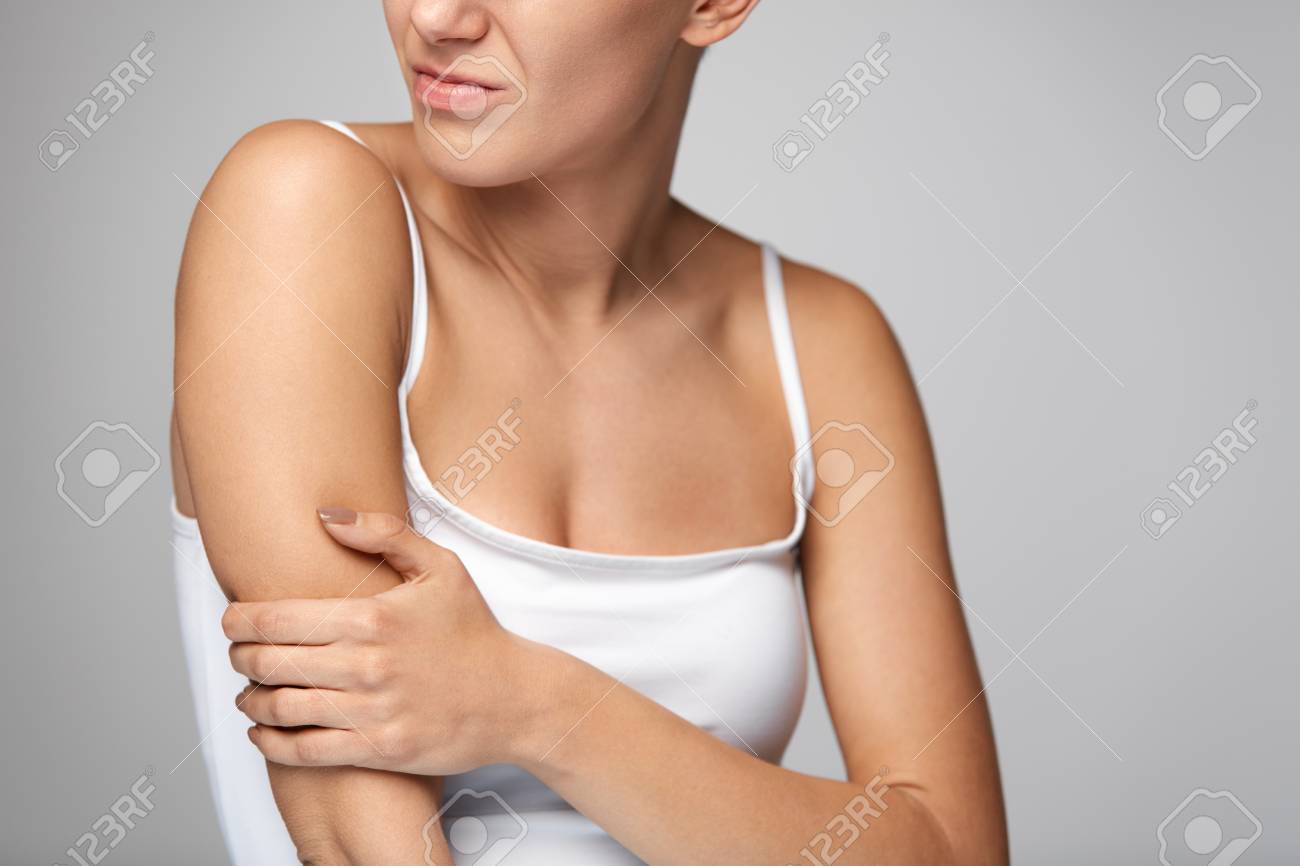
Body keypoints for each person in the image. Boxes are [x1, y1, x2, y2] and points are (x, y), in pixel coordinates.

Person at [170, 1, 1007, 863]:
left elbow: (952, 848)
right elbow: (354, 843)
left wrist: (540, 707)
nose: (436, 15)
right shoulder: (302, 205)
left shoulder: (821, 344)